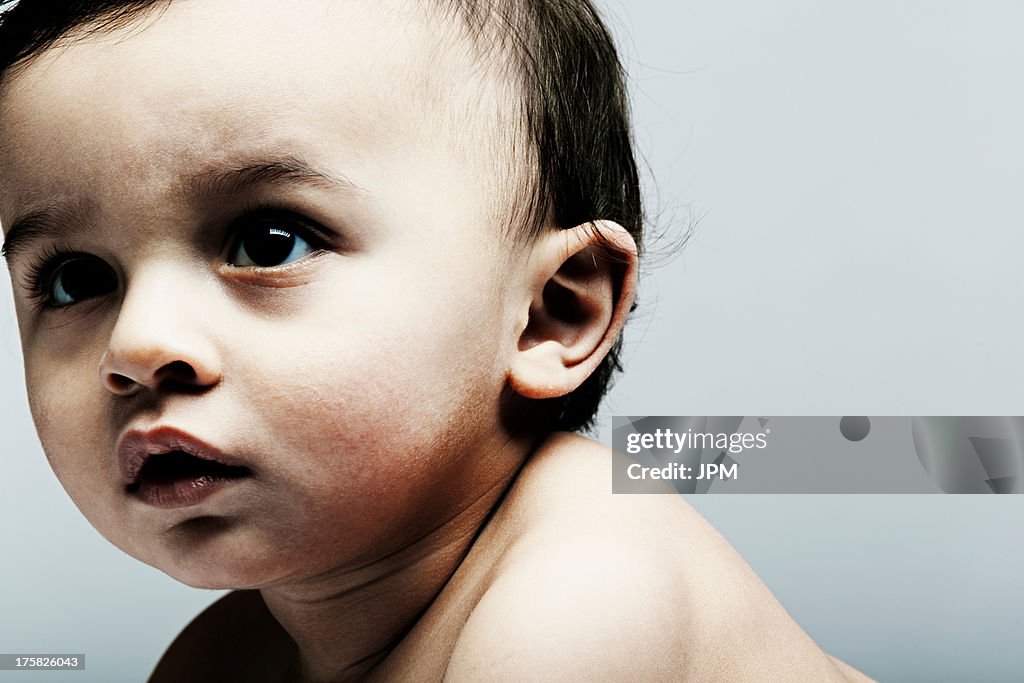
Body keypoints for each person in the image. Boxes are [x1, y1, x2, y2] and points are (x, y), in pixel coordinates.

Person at [0, 0, 874, 680]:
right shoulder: (226, 657)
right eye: (77, 278)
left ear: (551, 314)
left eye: (270, 242)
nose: (139, 343)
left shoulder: (581, 603)